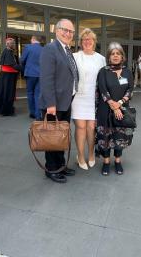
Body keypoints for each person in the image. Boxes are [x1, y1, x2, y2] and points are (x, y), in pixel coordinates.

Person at [39, 19, 78, 183]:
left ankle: (61, 165)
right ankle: (52, 169)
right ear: (56, 30)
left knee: (61, 136)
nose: (68, 34)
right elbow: (46, 79)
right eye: (65, 30)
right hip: (54, 104)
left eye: (71, 32)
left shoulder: (67, 50)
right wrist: (51, 105)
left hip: (66, 101)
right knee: (51, 138)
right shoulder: (50, 49)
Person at [96, 42, 134, 176]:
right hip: (105, 110)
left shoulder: (127, 72)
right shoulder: (103, 72)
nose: (116, 56)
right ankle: (106, 162)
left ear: (122, 56)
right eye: (113, 54)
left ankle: (118, 161)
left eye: (118, 53)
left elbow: (130, 89)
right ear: (109, 57)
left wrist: (120, 103)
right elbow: (103, 90)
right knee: (105, 137)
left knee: (119, 136)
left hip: (122, 109)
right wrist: (113, 105)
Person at [71, 28, 106, 170]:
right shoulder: (74, 56)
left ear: (94, 41)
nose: (87, 42)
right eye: (84, 39)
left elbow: (105, 79)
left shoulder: (101, 58)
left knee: (91, 127)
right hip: (78, 97)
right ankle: (80, 155)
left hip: (94, 98)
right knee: (81, 127)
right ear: (80, 42)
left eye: (90, 39)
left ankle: (91, 153)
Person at [0, 38, 21, 116]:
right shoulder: (8, 52)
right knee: (8, 93)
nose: (14, 45)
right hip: (8, 76)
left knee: (2, 92)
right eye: (13, 44)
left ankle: (0, 108)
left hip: (5, 75)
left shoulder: (6, 51)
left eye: (14, 43)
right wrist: (23, 68)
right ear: (9, 44)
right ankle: (6, 111)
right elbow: (13, 65)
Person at [21, 35, 43, 119]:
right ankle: (38, 115)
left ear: (33, 39)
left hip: (30, 74)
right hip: (40, 74)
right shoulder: (43, 49)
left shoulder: (28, 47)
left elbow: (22, 60)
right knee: (38, 94)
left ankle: (32, 112)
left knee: (30, 93)